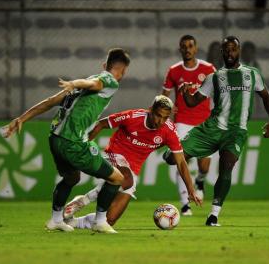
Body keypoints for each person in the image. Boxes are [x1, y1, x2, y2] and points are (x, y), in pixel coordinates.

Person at [2, 48, 131, 234]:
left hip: (55, 138)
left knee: (71, 177)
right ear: (123, 71)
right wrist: (75, 82)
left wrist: (22, 118)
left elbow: (50, 101)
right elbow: (94, 83)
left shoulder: (80, 87)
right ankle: (100, 221)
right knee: (117, 178)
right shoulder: (109, 81)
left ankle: (55, 220)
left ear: (104, 64)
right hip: (73, 142)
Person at [163, 36, 269, 226]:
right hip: (212, 128)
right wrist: (184, 92)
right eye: (226, 50)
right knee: (171, 158)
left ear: (238, 51)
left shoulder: (251, 74)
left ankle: (214, 214)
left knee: (227, 164)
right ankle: (178, 161)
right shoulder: (214, 77)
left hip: (236, 131)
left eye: (233, 49)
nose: (230, 53)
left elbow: (267, 97)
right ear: (222, 52)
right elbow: (192, 102)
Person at [62, 95, 202, 230]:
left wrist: (191, 189)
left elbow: (181, 162)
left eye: (165, 118)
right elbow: (101, 124)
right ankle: (84, 200)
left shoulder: (169, 131)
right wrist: (83, 147)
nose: (160, 121)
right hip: (114, 155)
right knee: (125, 177)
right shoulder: (133, 116)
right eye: (158, 115)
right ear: (150, 110)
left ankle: (74, 222)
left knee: (110, 220)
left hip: (132, 170)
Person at [162, 35, 216, 216]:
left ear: (196, 48)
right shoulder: (174, 71)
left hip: (204, 121)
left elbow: (219, 91)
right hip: (183, 121)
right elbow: (165, 96)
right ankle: (185, 204)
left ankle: (200, 180)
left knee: (205, 166)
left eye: (190, 46)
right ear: (180, 49)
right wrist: (166, 110)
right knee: (181, 161)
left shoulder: (208, 69)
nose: (187, 49)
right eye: (184, 46)